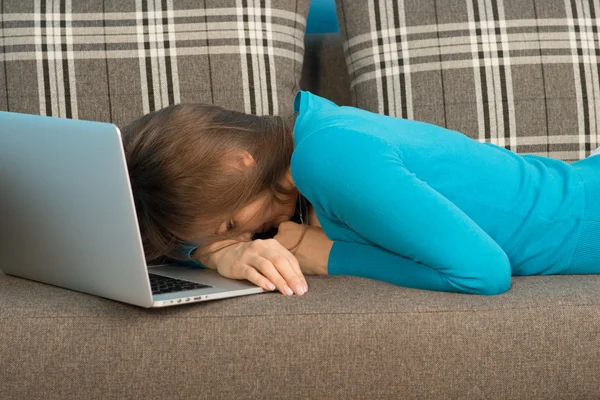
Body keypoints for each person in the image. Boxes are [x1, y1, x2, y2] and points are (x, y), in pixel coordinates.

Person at [121, 90, 600, 297]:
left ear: (237, 160)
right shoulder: (306, 141)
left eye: (230, 223)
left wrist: (322, 255)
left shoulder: (328, 158)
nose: (246, 233)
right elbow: (173, 244)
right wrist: (211, 254)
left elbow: (483, 272)